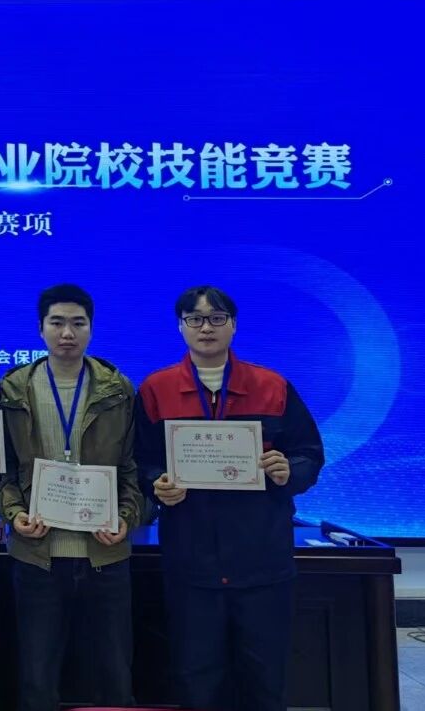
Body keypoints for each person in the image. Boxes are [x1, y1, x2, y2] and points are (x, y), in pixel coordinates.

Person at [136, 285, 324, 711]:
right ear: (181, 326)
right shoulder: (155, 389)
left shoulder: (272, 386)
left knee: (265, 679)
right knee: (195, 678)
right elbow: (140, 461)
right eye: (195, 319)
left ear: (233, 325)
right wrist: (155, 484)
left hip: (262, 561)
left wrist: (288, 471)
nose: (206, 327)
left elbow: (309, 454)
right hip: (191, 563)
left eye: (217, 318)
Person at [0, 283, 144, 711]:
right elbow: (4, 470)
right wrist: (15, 514)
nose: (67, 333)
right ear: (40, 328)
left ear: (91, 329)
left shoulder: (117, 390)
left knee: (114, 676)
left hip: (104, 554)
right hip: (38, 555)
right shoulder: (14, 390)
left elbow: (132, 469)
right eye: (57, 323)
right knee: (37, 678)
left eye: (77, 323)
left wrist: (126, 518)